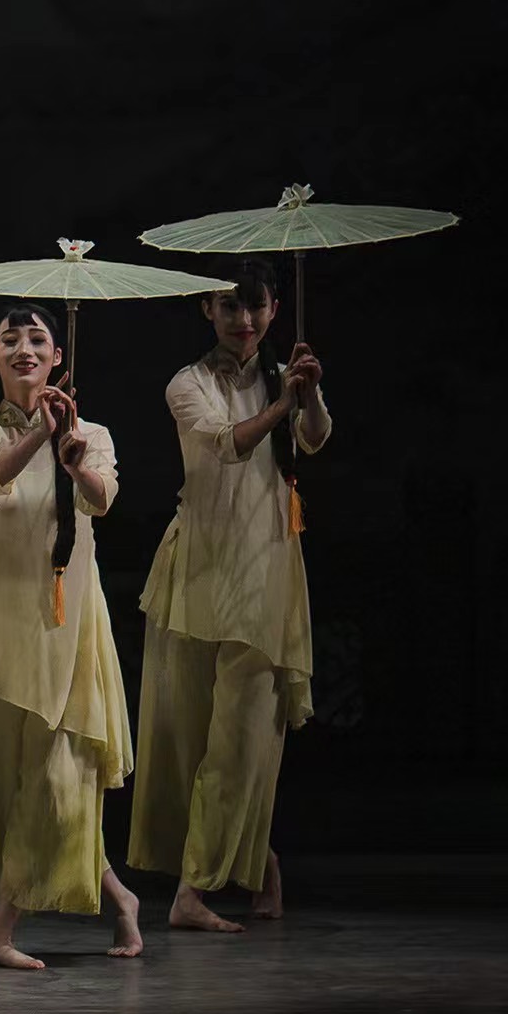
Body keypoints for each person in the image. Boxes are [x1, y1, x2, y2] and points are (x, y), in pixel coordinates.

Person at [0, 305, 144, 966]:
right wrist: (42, 432)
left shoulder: (90, 433)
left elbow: (102, 499)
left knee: (57, 779)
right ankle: (121, 898)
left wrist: (75, 461)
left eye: (38, 339)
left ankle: (1, 933)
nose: (25, 348)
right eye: (10, 339)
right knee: (14, 784)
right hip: (0, 625)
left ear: (57, 357)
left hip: (69, 624)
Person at [129, 259, 328, 931]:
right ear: (207, 310)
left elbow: (313, 438)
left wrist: (308, 395)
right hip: (199, 569)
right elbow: (225, 443)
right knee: (192, 740)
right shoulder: (187, 383)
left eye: (256, 306)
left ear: (274, 310)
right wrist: (282, 404)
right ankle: (259, 862)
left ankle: (194, 892)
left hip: (265, 566)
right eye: (231, 307)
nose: (245, 320)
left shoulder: (284, 374)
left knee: (244, 740)